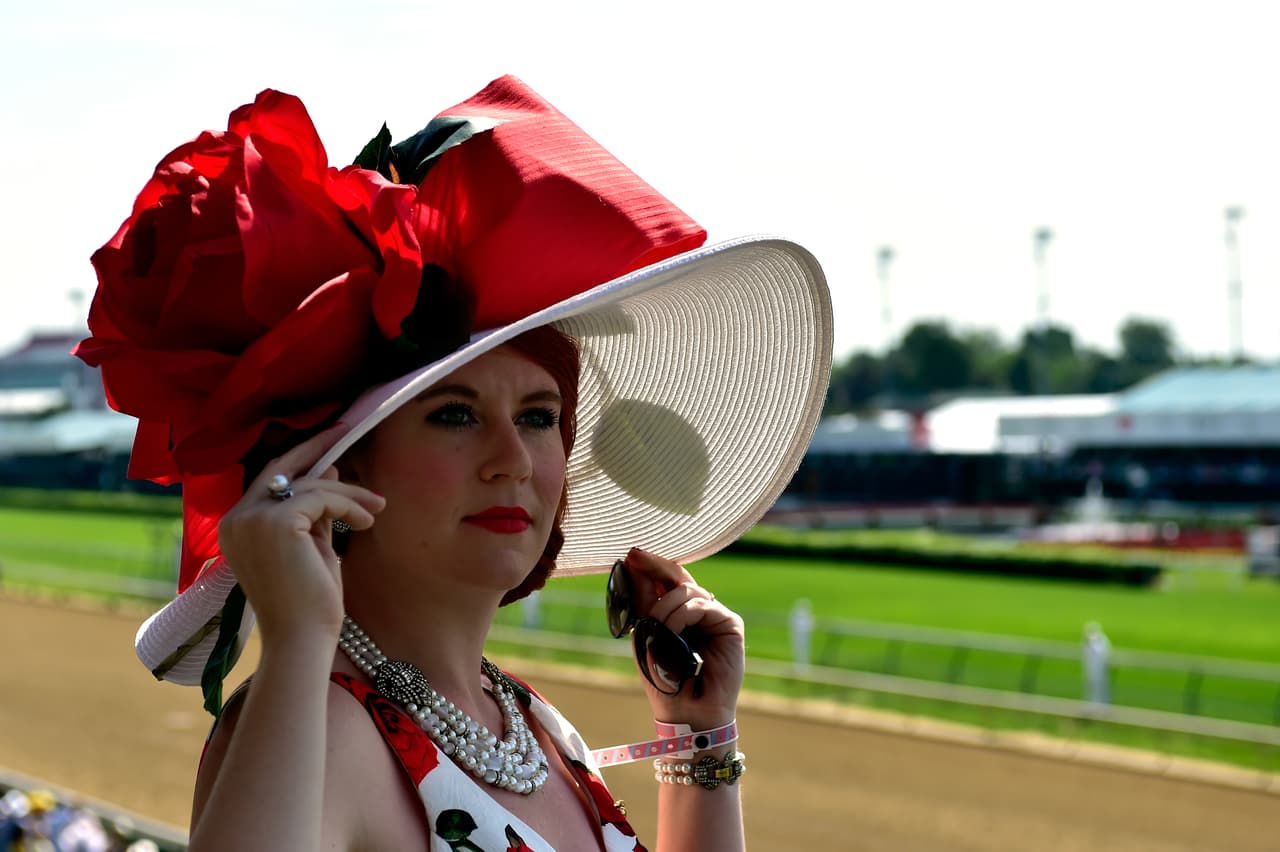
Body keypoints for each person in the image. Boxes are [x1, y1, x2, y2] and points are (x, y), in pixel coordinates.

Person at [75, 76, 832, 851]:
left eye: (539, 417)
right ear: (340, 475)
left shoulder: (534, 727)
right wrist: (300, 638)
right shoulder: (326, 723)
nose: (513, 460)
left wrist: (698, 734)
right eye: (455, 415)